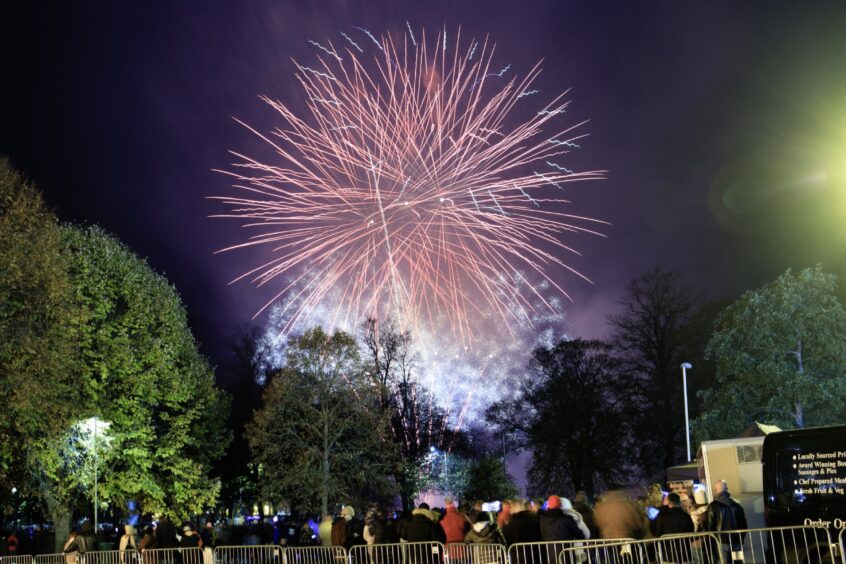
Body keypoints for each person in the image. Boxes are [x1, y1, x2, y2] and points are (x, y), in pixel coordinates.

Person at [706, 480, 748, 563]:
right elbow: (744, 525)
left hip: (721, 541)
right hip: (737, 541)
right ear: (727, 489)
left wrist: (714, 540)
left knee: (723, 561)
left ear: (715, 490)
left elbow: (710, 527)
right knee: (738, 562)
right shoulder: (737, 505)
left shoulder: (713, 506)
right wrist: (740, 539)